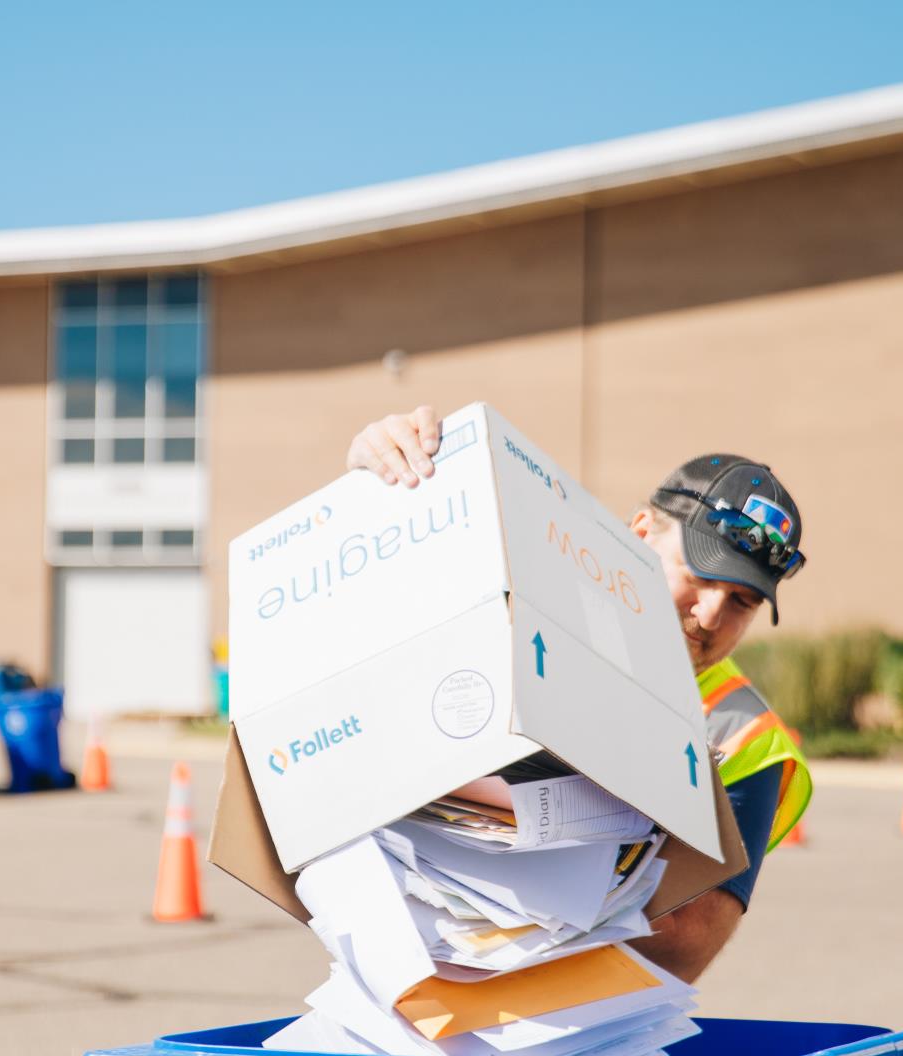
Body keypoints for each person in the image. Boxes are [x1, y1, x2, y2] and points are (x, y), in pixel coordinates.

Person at [346, 406, 812, 981]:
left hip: (576, 1039)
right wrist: (377, 481)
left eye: (742, 601)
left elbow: (689, 938)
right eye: (700, 574)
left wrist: (525, 879)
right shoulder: (521, 602)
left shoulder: (745, 735)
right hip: (393, 991)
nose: (711, 614)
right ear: (639, 535)